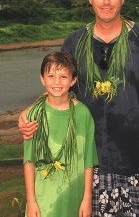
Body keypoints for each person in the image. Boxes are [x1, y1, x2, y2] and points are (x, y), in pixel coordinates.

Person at [19, 0, 139, 216]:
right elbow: (58, 86)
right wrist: (30, 111)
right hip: (90, 165)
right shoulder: (74, 42)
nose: (106, 2)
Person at [23, 51, 98, 217]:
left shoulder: (83, 114)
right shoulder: (34, 115)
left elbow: (88, 161)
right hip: (43, 199)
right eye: (51, 76)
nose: (57, 82)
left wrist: (87, 198)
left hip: (74, 196)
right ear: (42, 79)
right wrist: (31, 201)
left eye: (63, 77)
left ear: (73, 80)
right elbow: (29, 161)